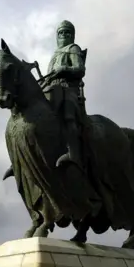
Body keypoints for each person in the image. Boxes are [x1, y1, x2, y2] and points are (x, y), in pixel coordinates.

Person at [43, 20, 87, 169]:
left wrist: (64, 69)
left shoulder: (73, 48)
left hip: (69, 89)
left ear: (72, 36)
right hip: (52, 88)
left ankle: (73, 152)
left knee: (68, 112)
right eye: (61, 32)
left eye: (67, 32)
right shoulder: (54, 54)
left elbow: (80, 69)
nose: (64, 35)